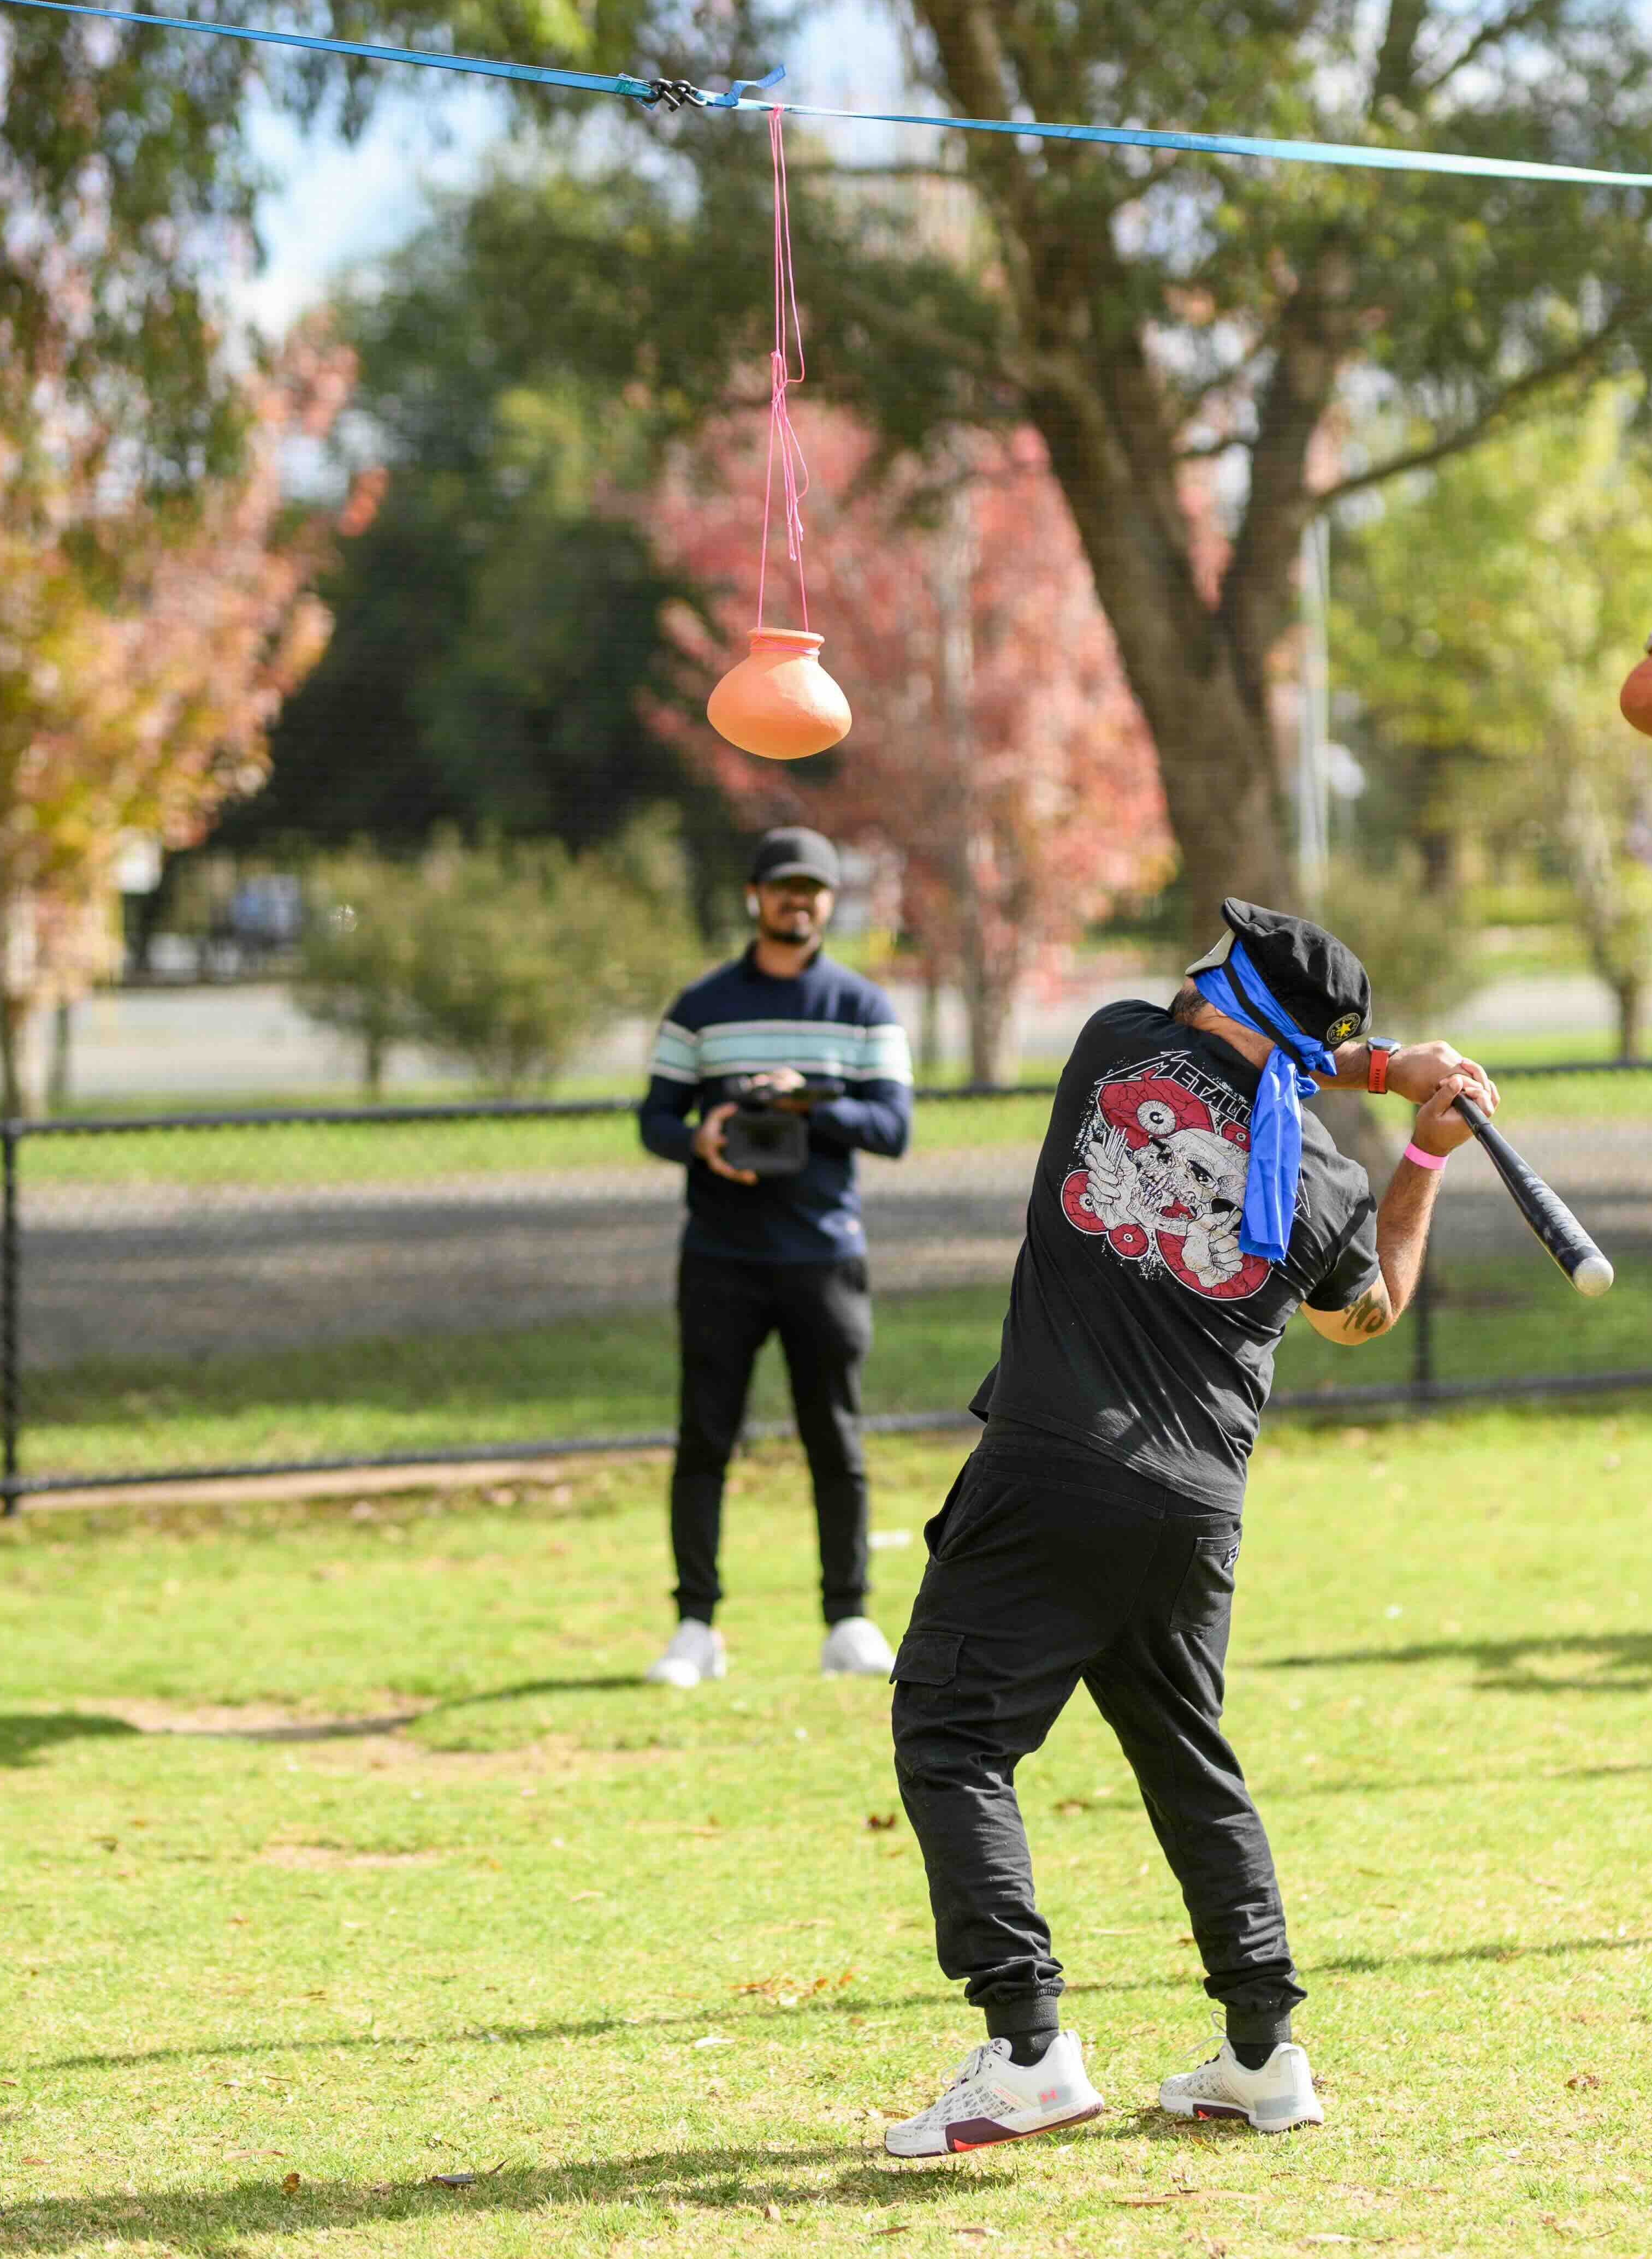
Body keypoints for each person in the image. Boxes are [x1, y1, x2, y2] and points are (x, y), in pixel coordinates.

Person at [881, 898, 1495, 2155]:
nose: (1191, 965)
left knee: (950, 1738)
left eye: (1215, 961)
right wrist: (1419, 1152)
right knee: (1185, 1763)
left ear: (1228, 991)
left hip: (1051, 1470)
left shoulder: (1115, 1048)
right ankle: (1265, 2056)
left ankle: (1028, 2048)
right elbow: (1360, 1320)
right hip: (1191, 1510)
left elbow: (1238, 1038)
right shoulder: (1327, 1179)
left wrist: (1380, 1064)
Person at [637, 828, 914, 1686]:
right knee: (704, 1441)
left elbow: (895, 1129)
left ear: (831, 901)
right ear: (754, 895)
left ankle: (849, 1619)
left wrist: (811, 1103)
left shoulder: (864, 1009)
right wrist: (705, 1137)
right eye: (783, 887)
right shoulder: (701, 1006)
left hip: (823, 1256)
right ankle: (695, 1626)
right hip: (719, 1254)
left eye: (814, 889)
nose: (799, 902)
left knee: (836, 1438)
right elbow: (654, 1120)